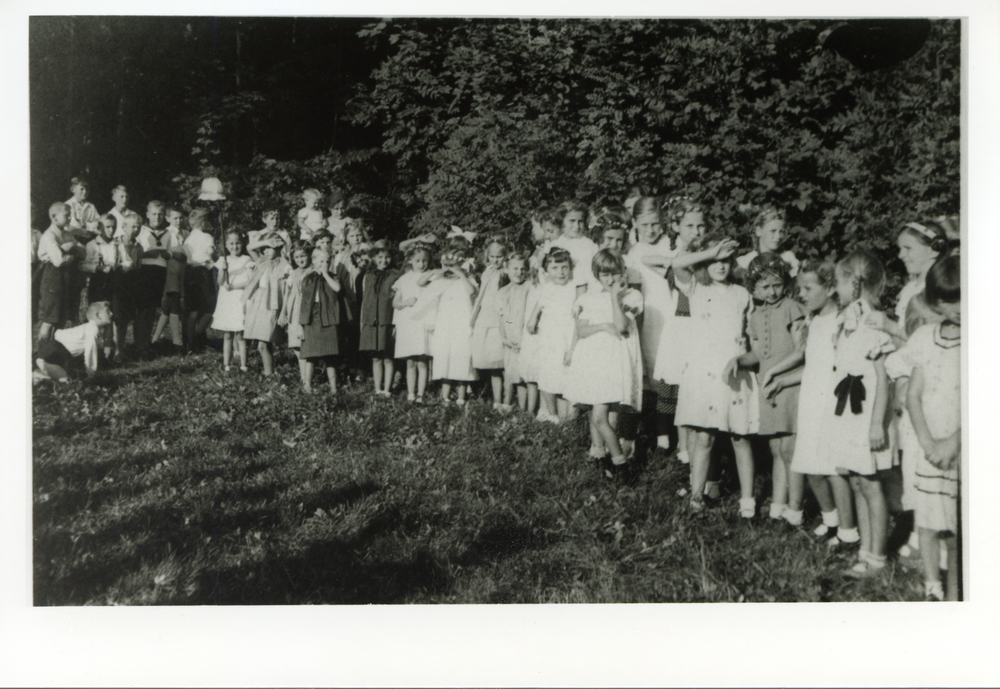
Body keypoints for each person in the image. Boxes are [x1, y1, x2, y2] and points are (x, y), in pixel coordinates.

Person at [765, 259, 858, 541]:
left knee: (832, 469)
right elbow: (812, 367)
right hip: (811, 402)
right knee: (809, 465)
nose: (801, 294)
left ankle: (848, 530)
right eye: (799, 288)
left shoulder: (842, 322)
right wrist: (782, 379)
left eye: (808, 288)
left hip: (832, 403)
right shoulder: (814, 320)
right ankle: (831, 518)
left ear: (829, 288)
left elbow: (841, 368)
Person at [818, 249, 895, 577]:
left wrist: (877, 423)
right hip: (847, 412)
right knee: (858, 481)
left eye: (838, 282)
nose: (834, 288)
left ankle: (877, 556)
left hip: (867, 415)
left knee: (870, 482)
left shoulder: (873, 322)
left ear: (853, 283)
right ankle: (865, 550)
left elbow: (883, 377)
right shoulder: (846, 320)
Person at [673, 232, 758, 517]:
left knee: (740, 437)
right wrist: (709, 252)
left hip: (734, 370)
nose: (720, 265)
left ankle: (748, 502)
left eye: (726, 259)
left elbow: (749, 335)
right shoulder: (695, 287)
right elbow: (677, 264)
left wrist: (745, 360)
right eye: (715, 259)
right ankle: (696, 499)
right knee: (704, 437)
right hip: (705, 372)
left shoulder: (742, 294)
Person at [640, 196, 720, 464]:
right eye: (689, 227)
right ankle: (676, 444)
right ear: (676, 227)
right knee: (674, 384)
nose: (696, 232)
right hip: (680, 326)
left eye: (700, 227)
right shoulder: (678, 257)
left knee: (693, 387)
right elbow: (650, 260)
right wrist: (692, 255)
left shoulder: (713, 257)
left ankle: (689, 445)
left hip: (702, 326)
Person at [727, 253, 805, 521]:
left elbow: (801, 350)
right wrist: (739, 359)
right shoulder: (756, 316)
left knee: (789, 447)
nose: (772, 291)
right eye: (765, 286)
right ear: (753, 288)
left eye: (777, 284)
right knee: (775, 448)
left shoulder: (792, 307)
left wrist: (775, 372)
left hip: (791, 382)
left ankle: (795, 506)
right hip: (768, 386)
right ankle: (778, 505)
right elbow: (758, 354)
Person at [904, 255, 961, 600]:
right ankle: (932, 586)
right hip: (929, 446)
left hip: (960, 448)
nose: (959, 308)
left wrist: (953, 442)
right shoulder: (926, 337)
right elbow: (913, 395)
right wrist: (928, 443)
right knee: (927, 521)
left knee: (956, 530)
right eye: (949, 301)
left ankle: (957, 596)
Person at [564, 250, 644, 479]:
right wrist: (602, 327)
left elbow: (621, 326)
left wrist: (613, 298)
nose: (610, 279)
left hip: (614, 362)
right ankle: (599, 457)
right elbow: (581, 330)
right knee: (594, 412)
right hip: (591, 360)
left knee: (602, 417)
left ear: (622, 272)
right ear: (597, 275)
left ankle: (621, 465)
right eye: (605, 274)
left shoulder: (630, 296)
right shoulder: (588, 298)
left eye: (615, 273)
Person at [419, 247, 478, 405]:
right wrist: (438, 270)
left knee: (462, 358)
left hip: (462, 325)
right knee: (444, 358)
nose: (451, 269)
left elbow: (472, 292)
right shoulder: (440, 281)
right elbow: (421, 282)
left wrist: (460, 274)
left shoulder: (467, 280)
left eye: (455, 265)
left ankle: (461, 396)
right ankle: (445, 395)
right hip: (445, 325)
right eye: (448, 265)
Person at [525, 248, 577, 422]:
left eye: (564, 267)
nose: (560, 273)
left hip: (566, 336)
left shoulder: (573, 287)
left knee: (564, 374)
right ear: (546, 271)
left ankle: (566, 416)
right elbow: (539, 305)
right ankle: (552, 413)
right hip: (549, 336)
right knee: (547, 373)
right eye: (554, 268)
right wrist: (532, 319)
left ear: (570, 268)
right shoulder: (546, 288)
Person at [299, 247, 354, 394]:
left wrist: (325, 274)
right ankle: (308, 386)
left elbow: (337, 289)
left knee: (330, 355)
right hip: (312, 318)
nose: (324, 263)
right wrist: (301, 325)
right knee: (310, 355)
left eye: (327, 261)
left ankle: (334, 388)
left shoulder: (334, 277)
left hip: (329, 317)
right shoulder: (308, 279)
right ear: (314, 261)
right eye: (321, 260)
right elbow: (304, 303)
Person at [134, 200, 182, 357]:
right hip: (144, 272)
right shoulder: (141, 231)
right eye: (154, 214)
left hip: (160, 272)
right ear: (147, 214)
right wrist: (148, 254)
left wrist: (166, 254)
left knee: (151, 310)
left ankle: (146, 343)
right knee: (142, 309)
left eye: (160, 214)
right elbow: (133, 252)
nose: (157, 217)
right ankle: (140, 346)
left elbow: (171, 253)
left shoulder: (168, 233)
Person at [36, 201, 86, 345]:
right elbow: (58, 261)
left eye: (70, 215)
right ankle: (40, 355)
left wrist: (70, 247)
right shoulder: (49, 236)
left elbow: (84, 252)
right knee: (50, 320)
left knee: (61, 319)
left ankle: (55, 355)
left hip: (66, 277)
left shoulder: (68, 234)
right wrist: (72, 252)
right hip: (52, 277)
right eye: (66, 215)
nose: (70, 218)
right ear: (54, 217)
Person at [358, 240, 401, 397]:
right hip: (371, 322)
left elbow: (398, 300)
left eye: (387, 257)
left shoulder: (397, 275)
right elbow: (365, 300)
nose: (384, 261)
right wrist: (363, 322)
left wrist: (397, 324)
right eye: (380, 257)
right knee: (375, 357)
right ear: (374, 258)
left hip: (388, 320)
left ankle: (387, 389)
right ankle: (377, 389)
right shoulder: (368, 275)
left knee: (388, 357)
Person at [242, 236, 290, 376]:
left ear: (279, 248)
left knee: (264, 343)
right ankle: (269, 373)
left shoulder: (284, 264)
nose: (266, 251)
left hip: (273, 304)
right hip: (259, 302)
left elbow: (288, 288)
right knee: (263, 344)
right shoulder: (262, 261)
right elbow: (249, 247)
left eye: (270, 248)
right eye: (264, 249)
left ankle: (269, 374)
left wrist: (283, 311)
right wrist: (265, 242)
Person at [393, 244, 435, 403]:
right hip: (408, 324)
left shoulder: (431, 277)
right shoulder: (403, 279)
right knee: (410, 361)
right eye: (418, 260)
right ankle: (411, 393)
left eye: (425, 260)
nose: (422, 264)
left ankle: (421, 394)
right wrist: (406, 302)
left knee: (422, 361)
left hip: (423, 323)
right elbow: (395, 303)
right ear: (410, 260)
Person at [470, 237, 508, 408]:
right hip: (484, 318)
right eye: (492, 257)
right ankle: (485, 393)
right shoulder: (486, 272)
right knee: (484, 358)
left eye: (499, 257)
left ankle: (500, 400)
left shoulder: (505, 273)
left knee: (497, 362)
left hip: (497, 319)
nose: (495, 260)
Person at [34, 301, 114, 382]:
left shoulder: (87, 327)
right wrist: (91, 375)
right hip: (54, 353)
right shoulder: (92, 329)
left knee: (68, 377)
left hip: (52, 352)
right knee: (68, 381)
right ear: (98, 315)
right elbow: (90, 352)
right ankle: (38, 374)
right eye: (107, 311)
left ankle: (39, 372)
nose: (111, 313)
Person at [496, 252, 534, 414]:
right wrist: (504, 337)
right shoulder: (503, 291)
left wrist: (524, 338)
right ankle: (507, 403)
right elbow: (503, 317)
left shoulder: (530, 287)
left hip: (525, 337)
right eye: (515, 268)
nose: (519, 272)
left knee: (523, 376)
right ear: (506, 269)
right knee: (510, 372)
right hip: (510, 337)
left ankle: (524, 409)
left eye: (522, 268)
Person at [212, 231, 252, 372]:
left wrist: (235, 286)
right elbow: (220, 281)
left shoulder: (247, 260)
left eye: (238, 243)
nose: (235, 246)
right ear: (226, 245)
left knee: (241, 334)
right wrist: (223, 269)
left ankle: (244, 365)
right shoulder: (223, 259)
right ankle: (227, 365)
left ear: (242, 243)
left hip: (240, 297)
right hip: (227, 299)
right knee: (227, 333)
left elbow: (250, 281)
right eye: (231, 243)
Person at [151, 206, 188, 353]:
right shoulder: (166, 233)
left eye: (181, 218)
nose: (179, 221)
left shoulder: (186, 233)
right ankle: (177, 342)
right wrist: (175, 252)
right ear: (168, 219)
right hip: (170, 271)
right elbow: (165, 252)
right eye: (175, 218)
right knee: (173, 303)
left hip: (183, 271)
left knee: (168, 307)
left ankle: (154, 339)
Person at [278, 241, 313, 388]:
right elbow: (287, 294)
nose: (300, 260)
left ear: (309, 255)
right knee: (296, 347)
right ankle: (303, 379)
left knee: (306, 346)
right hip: (294, 312)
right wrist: (283, 312)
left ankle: (308, 383)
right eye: (297, 257)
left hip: (307, 311)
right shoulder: (293, 272)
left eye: (303, 256)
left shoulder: (313, 271)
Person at [182, 209, 217, 352]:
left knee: (193, 310)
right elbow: (209, 253)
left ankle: (190, 343)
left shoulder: (188, 238)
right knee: (210, 307)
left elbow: (188, 255)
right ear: (203, 223)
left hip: (190, 272)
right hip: (203, 272)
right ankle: (196, 335)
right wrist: (213, 259)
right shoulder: (207, 237)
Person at [110, 212, 143, 361]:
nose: (136, 229)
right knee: (116, 318)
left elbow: (138, 267)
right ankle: (113, 351)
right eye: (133, 226)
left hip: (131, 284)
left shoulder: (139, 247)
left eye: (139, 227)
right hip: (116, 283)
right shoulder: (116, 243)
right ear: (123, 227)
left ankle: (121, 350)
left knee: (124, 319)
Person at [734, 207, 800, 279]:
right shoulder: (746, 261)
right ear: (758, 231)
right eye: (773, 231)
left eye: (781, 232)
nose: (778, 236)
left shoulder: (788, 257)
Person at [81, 214, 121, 305]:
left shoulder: (118, 244)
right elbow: (83, 266)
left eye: (114, 227)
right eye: (108, 227)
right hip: (97, 280)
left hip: (114, 280)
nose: (111, 230)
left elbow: (128, 261)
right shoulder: (92, 244)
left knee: (114, 307)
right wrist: (98, 268)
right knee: (97, 306)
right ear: (99, 227)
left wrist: (121, 265)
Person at [66, 176, 99, 241]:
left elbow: (97, 223)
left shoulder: (91, 206)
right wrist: (88, 226)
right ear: (73, 190)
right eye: (82, 189)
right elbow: (72, 226)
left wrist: (85, 225)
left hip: (88, 238)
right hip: (72, 238)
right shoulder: (68, 205)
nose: (85, 192)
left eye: (87, 189)